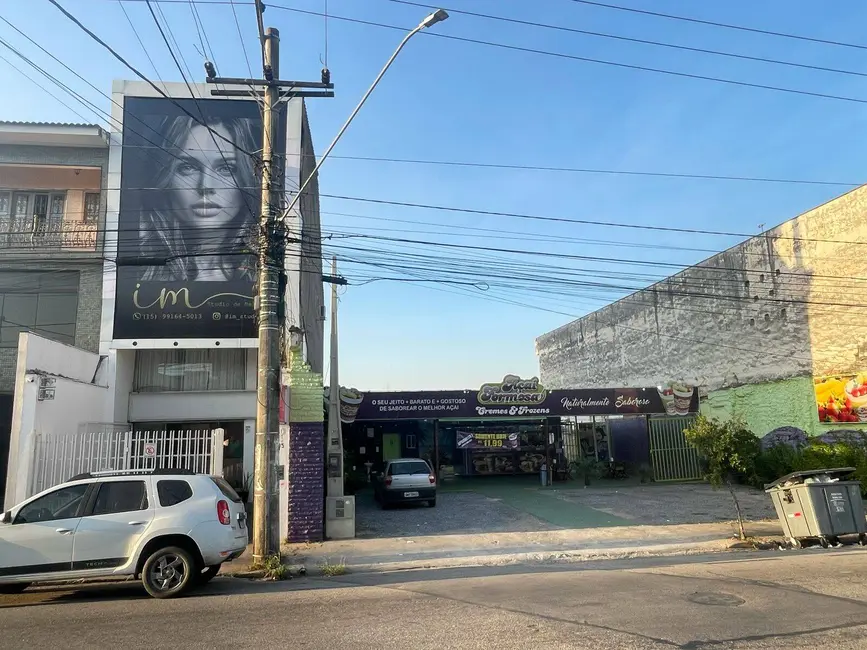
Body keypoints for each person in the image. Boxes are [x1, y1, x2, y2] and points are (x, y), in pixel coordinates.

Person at [132, 115, 260, 282]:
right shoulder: (140, 269)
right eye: (188, 167)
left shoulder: (263, 274)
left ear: (248, 178)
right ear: (165, 178)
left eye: (226, 168)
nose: (206, 186)